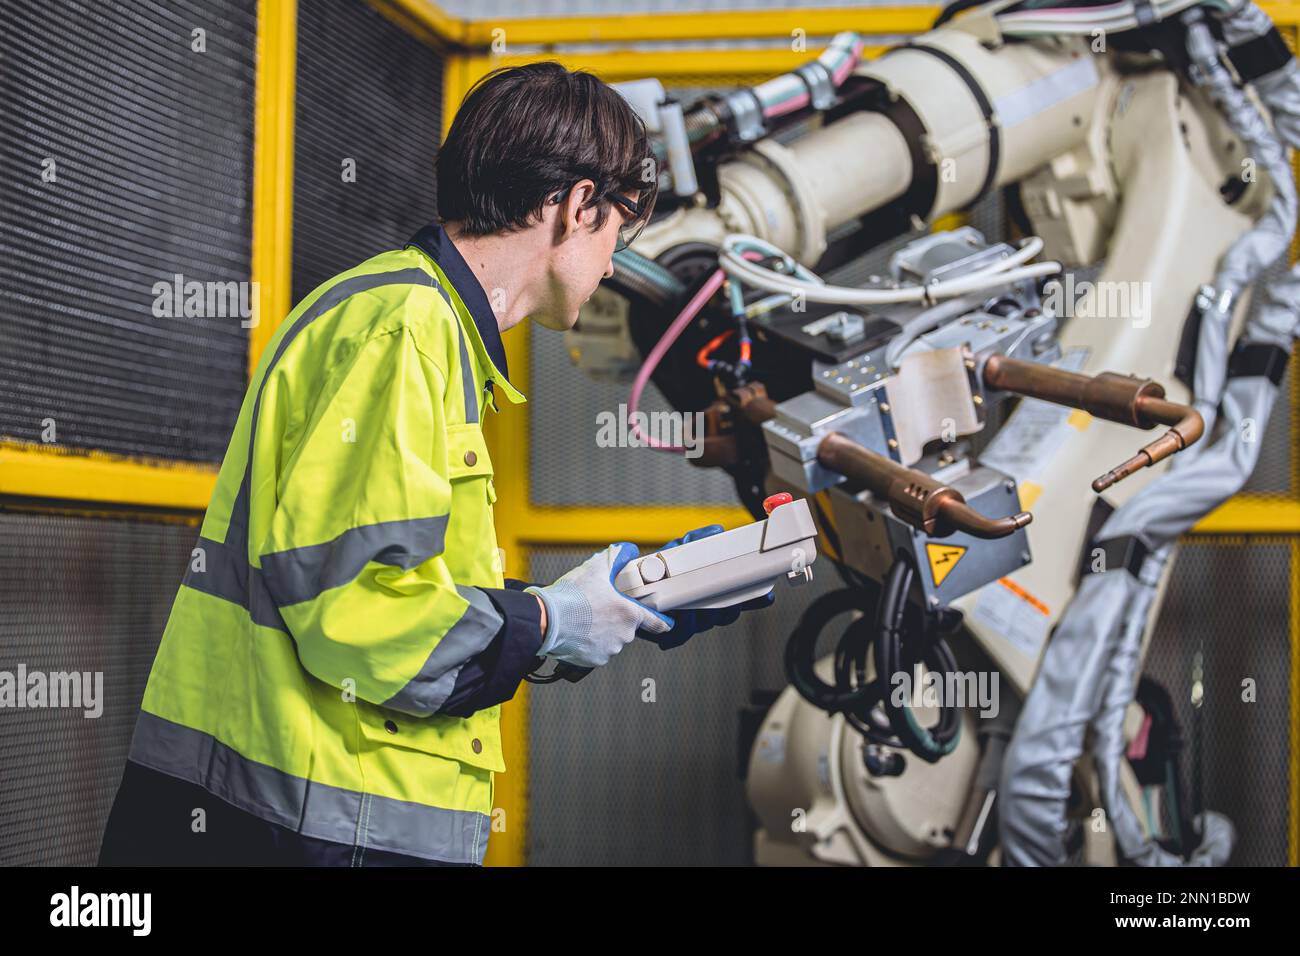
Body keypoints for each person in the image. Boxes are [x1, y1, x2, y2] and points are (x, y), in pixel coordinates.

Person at [98, 61, 770, 867]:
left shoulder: (426, 331)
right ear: (575, 205)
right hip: (303, 830)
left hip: (319, 823)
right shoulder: (403, 330)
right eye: (618, 232)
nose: (613, 264)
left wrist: (602, 606)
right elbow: (356, 615)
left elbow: (399, 590)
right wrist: (554, 622)